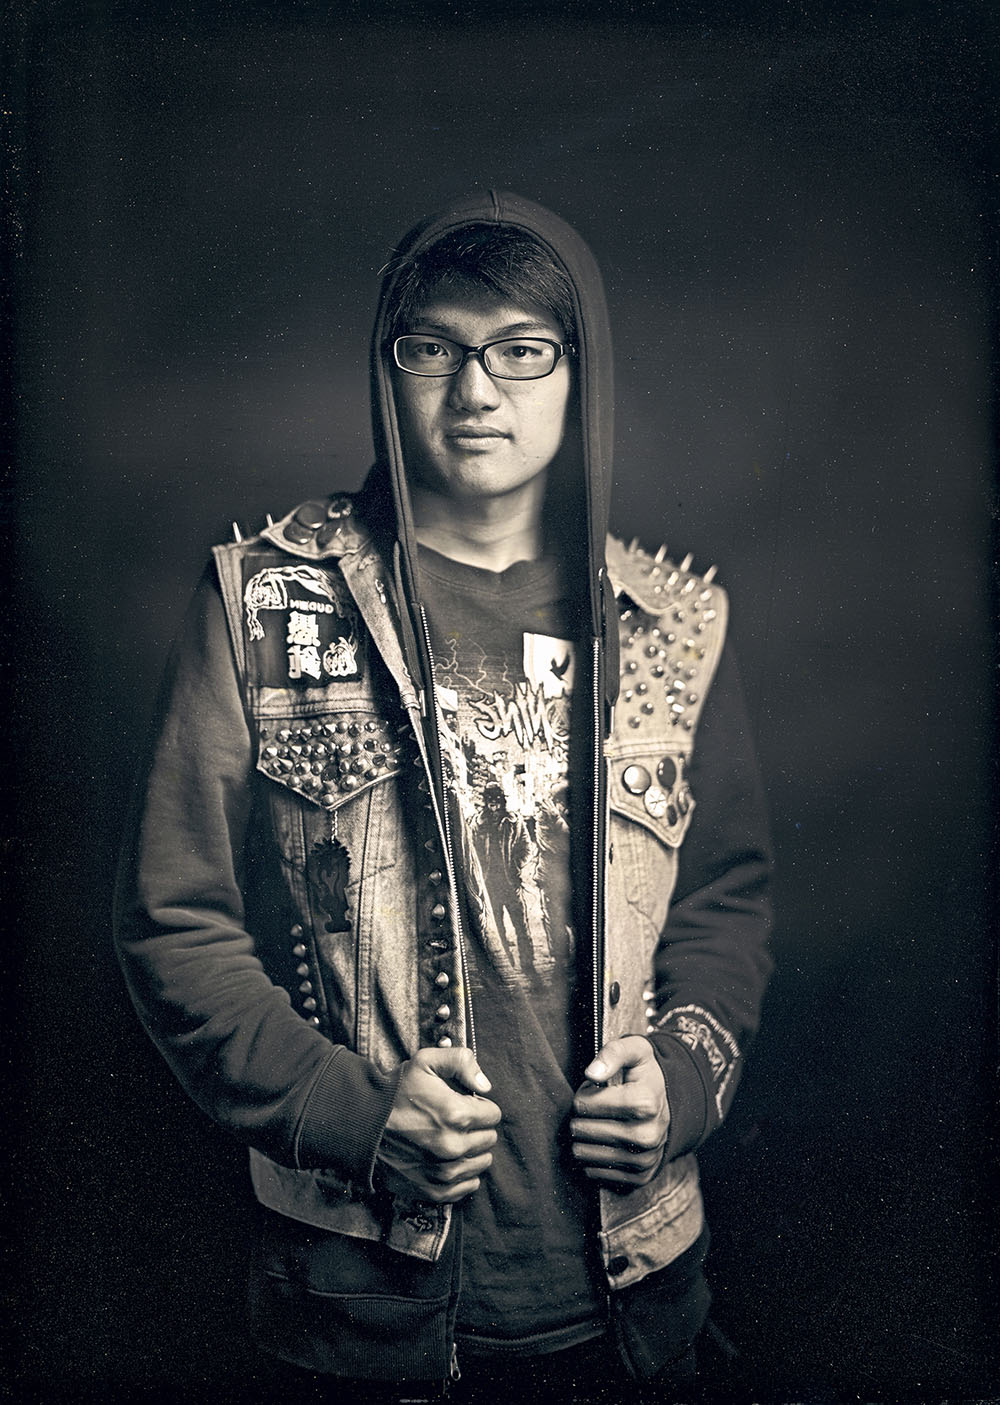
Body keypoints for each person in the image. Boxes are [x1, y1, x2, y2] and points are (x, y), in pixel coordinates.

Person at [114, 191, 772, 1404]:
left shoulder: (672, 627)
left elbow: (725, 900)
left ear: (579, 373)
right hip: (361, 1301)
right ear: (388, 365)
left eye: (521, 349)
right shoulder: (263, 603)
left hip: (637, 1294)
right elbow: (173, 920)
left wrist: (682, 1081)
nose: (476, 390)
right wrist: (351, 1112)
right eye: (434, 348)